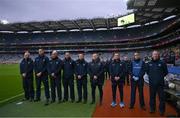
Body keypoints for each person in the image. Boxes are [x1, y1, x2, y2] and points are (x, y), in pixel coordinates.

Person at [146, 50, 168, 116]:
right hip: (152, 84)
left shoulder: (162, 63)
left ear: (158, 55)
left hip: (160, 84)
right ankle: (152, 108)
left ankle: (161, 110)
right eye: (154, 54)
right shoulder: (149, 63)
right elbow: (147, 72)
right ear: (152, 55)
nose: (155, 55)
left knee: (162, 98)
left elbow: (165, 72)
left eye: (156, 54)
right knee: (152, 97)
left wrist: (159, 77)